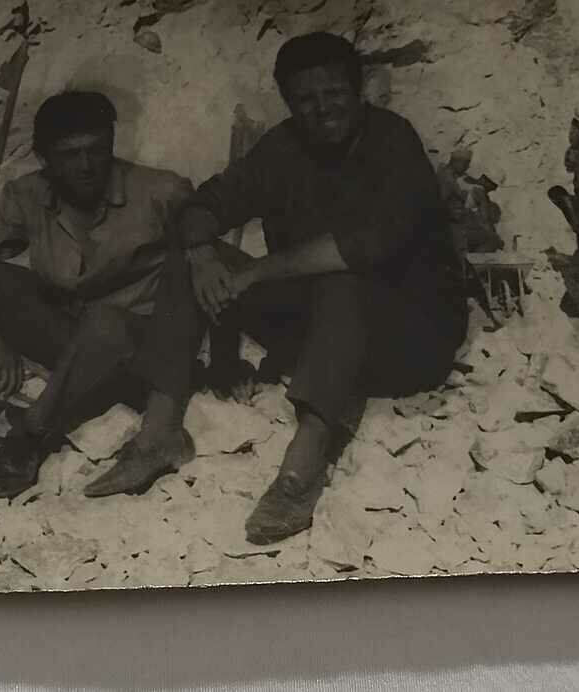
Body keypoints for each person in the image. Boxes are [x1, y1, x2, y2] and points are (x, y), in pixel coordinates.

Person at [84, 32, 469, 545]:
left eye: (334, 93)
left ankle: (300, 472)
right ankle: (159, 435)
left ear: (359, 93)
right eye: (305, 99)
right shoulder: (283, 148)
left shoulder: (392, 141)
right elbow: (203, 206)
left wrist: (255, 273)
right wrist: (201, 255)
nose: (321, 109)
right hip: (319, 331)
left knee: (342, 278)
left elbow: (367, 246)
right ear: (290, 103)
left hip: (409, 336)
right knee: (189, 256)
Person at [0, 90, 193, 498]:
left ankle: (31, 433)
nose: (87, 166)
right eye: (70, 155)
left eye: (97, 150)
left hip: (134, 356)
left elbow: (210, 266)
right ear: (44, 159)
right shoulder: (27, 196)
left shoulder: (162, 193)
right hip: (68, 340)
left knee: (108, 321)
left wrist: (223, 359)